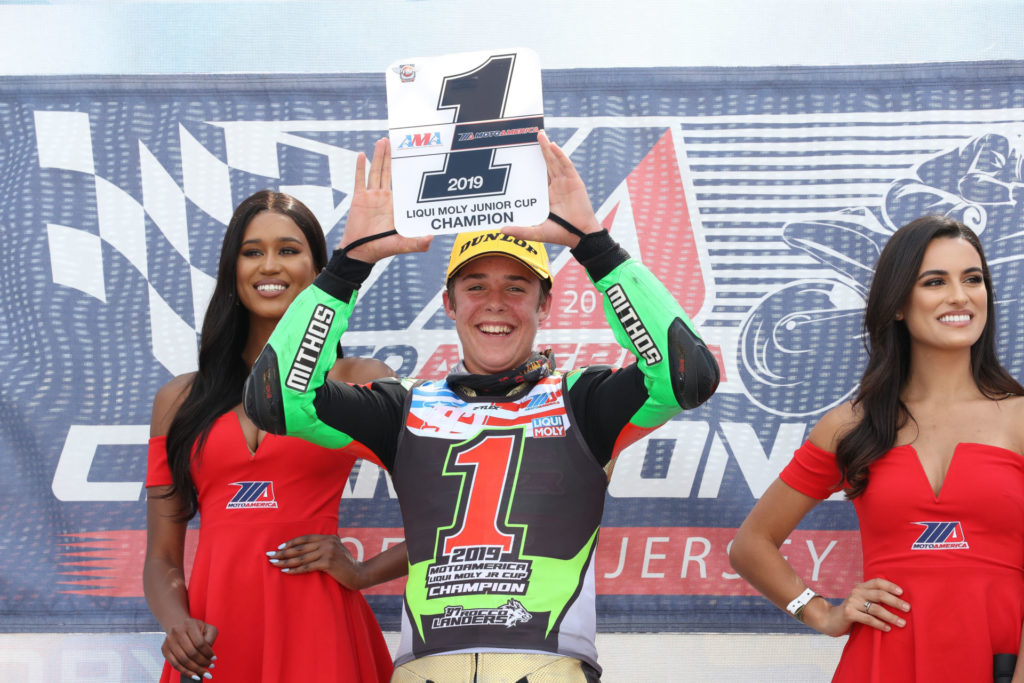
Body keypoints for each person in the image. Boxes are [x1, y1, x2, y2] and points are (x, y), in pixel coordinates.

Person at [242, 132, 720, 681]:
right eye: (476, 285)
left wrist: (595, 245)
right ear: (449, 302)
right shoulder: (404, 409)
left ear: (546, 301)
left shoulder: (581, 401)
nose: (495, 302)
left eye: (516, 286)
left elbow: (687, 373)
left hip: (545, 666)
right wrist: (350, 263)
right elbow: (278, 398)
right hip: (425, 670)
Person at [729, 215, 1024, 682]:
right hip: (883, 664)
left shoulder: (1020, 419)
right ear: (898, 304)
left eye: (973, 279)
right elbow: (750, 546)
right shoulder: (850, 426)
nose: (960, 296)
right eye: (935, 281)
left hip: (1000, 660)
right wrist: (821, 611)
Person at [143, 190, 405, 682]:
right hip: (212, 643)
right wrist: (177, 625)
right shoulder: (178, 400)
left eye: (288, 250)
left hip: (319, 632)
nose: (269, 266)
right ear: (232, 269)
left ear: (317, 269)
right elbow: (161, 557)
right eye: (251, 251)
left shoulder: (359, 379)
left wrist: (364, 572)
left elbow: (451, 512)